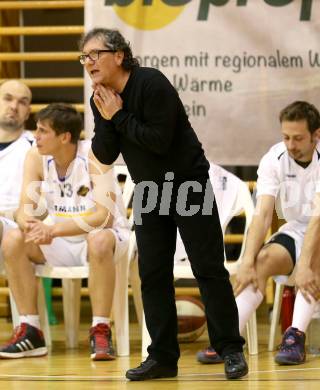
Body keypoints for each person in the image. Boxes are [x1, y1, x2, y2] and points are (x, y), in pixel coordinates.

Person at [79, 28, 248, 381]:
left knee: (208, 269)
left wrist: (118, 116)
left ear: (119, 55)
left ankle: (230, 350)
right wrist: (108, 118)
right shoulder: (103, 97)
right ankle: (163, 357)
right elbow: (106, 153)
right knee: (152, 275)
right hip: (149, 192)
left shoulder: (151, 84)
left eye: (95, 54)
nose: (88, 62)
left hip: (187, 184)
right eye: (84, 57)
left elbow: (158, 141)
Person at [0, 103, 130, 360]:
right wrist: (29, 224)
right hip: (59, 240)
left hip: (107, 238)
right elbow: (24, 209)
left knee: (99, 240)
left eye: (42, 131)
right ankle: (31, 331)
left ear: (64, 137)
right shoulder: (35, 157)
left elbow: (102, 217)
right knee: (14, 238)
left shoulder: (95, 155)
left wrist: (54, 229)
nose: (34, 136)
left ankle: (101, 328)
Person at [198, 100, 320, 365]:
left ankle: (295, 336)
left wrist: (304, 266)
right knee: (260, 262)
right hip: (296, 229)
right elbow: (263, 214)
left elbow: (317, 220)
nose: (291, 145)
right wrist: (246, 260)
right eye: (286, 137)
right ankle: (227, 340)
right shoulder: (274, 158)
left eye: (298, 138)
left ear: (316, 135)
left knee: (313, 259)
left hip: (318, 230)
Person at [0, 80, 33, 251]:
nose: (14, 106)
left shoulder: (37, 148)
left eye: (22, 102)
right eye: (8, 98)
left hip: (16, 229)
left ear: (28, 113)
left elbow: (44, 206)